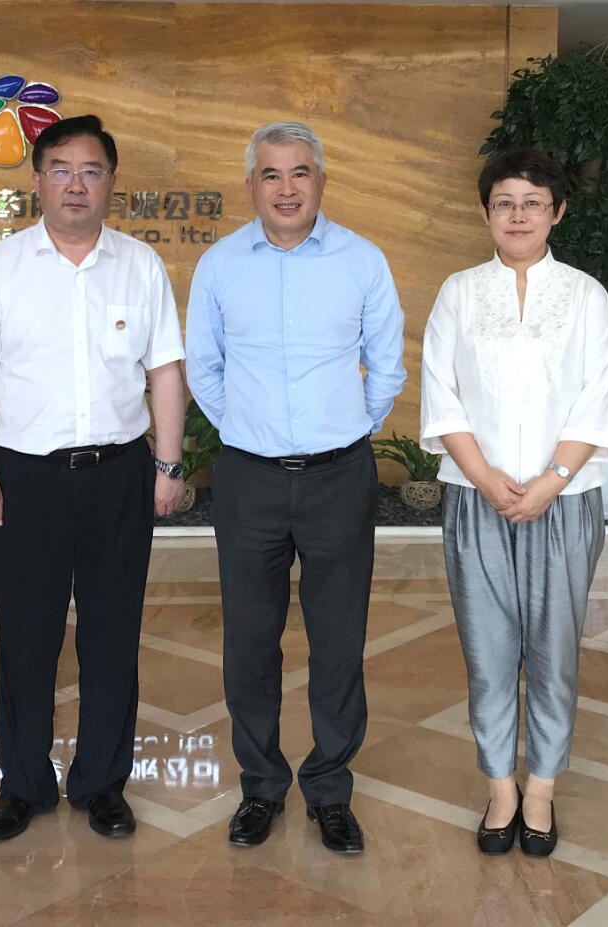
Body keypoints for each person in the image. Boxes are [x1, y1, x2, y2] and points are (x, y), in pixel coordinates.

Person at [0, 115, 187, 842]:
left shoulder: (139, 265)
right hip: (25, 478)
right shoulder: (0, 268)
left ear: (111, 182)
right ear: (37, 181)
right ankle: (22, 784)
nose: (76, 184)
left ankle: (102, 784)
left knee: (113, 635)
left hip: (119, 474)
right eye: (60, 169)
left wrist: (168, 464)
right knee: (26, 636)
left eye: (91, 171)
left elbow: (164, 370)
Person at [185, 121, 406, 854]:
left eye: (300, 172)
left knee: (338, 639)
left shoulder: (362, 261)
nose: (287, 188)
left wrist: (348, 427)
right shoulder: (220, 265)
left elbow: (387, 365)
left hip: (339, 476)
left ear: (321, 181)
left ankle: (330, 789)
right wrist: (248, 429)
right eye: (272, 174)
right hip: (248, 478)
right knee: (250, 640)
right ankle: (261, 786)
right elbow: (204, 367)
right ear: (251, 184)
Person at [420, 147, 608, 857]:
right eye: (504, 202)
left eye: (533, 203)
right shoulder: (458, 292)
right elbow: (441, 394)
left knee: (554, 652)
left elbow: (597, 396)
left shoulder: (587, 296)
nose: (518, 215)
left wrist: (550, 481)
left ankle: (542, 787)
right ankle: (500, 785)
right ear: (486, 212)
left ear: (557, 212)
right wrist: (483, 477)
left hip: (565, 499)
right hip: (477, 499)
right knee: (488, 651)